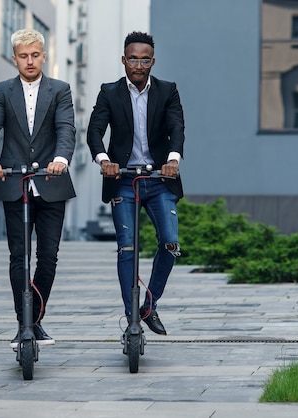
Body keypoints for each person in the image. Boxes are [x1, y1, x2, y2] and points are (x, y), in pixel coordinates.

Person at [0, 29, 76, 349]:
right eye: (24, 56)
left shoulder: (60, 90)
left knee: (48, 256)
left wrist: (61, 158)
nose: (30, 61)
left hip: (52, 182)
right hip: (14, 183)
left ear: (44, 56)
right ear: (14, 58)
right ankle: (24, 323)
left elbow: (66, 129)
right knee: (18, 257)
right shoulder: (2, 90)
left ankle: (35, 320)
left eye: (35, 55)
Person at [87, 31, 184, 335]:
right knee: (126, 248)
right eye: (133, 58)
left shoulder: (168, 90)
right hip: (123, 180)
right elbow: (94, 131)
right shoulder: (109, 92)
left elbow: (177, 127)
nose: (138, 65)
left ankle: (148, 306)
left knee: (170, 244)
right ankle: (132, 319)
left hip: (158, 179)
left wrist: (172, 161)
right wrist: (105, 161)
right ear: (123, 60)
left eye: (144, 59)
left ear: (152, 62)